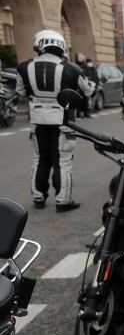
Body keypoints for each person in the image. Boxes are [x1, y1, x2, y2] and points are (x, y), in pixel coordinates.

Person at [16, 30, 95, 212]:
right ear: (60, 47)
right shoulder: (71, 68)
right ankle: (63, 200)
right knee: (63, 160)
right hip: (64, 122)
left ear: (40, 46)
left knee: (40, 158)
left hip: (37, 121)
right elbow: (89, 90)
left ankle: (38, 197)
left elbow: (20, 92)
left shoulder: (24, 67)